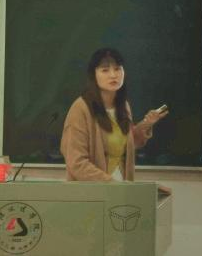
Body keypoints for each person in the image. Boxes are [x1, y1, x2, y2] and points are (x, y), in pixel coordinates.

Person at [60, 48, 168, 181]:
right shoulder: (81, 109)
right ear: (93, 75)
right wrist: (111, 183)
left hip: (122, 188)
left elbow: (123, 144)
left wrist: (147, 124)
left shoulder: (123, 105)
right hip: (94, 190)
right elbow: (76, 163)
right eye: (105, 70)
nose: (113, 75)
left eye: (117, 69)